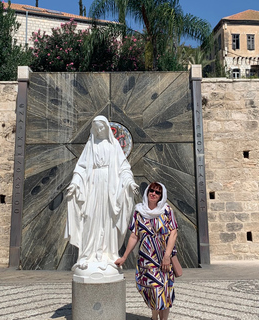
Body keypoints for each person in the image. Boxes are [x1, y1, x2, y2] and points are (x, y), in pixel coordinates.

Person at [65, 115, 138, 273]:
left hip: (110, 187)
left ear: (106, 128)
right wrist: (75, 184)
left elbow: (123, 167)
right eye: (96, 128)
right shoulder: (90, 146)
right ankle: (88, 254)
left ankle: (108, 254)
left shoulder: (114, 147)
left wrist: (129, 182)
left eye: (101, 128)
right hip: (93, 185)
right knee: (90, 217)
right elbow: (81, 168)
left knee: (108, 219)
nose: (99, 130)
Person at [115, 182, 178, 320]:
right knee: (153, 289)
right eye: (152, 190)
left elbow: (173, 233)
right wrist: (124, 257)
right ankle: (154, 316)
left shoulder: (167, 210)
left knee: (165, 290)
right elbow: (134, 235)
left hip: (164, 257)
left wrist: (167, 255)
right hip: (147, 258)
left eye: (157, 192)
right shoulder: (139, 211)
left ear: (161, 196)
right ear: (147, 192)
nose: (154, 194)